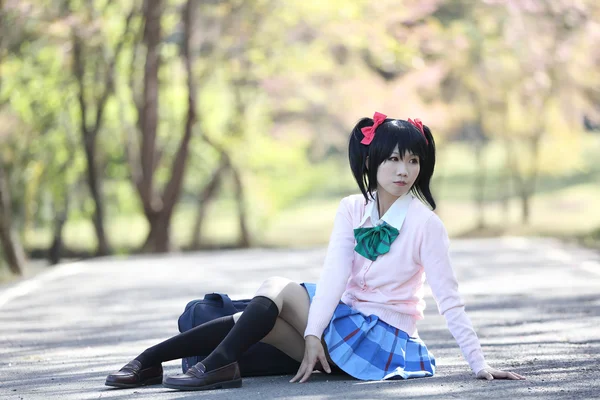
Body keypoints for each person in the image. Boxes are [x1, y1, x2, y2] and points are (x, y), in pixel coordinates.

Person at [105, 112, 525, 391]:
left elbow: (449, 298)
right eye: (394, 159)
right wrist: (310, 334)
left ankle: (191, 364)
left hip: (379, 341)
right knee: (264, 314)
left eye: (414, 161)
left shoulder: (426, 225)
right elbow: (335, 275)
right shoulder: (352, 208)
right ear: (372, 162)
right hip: (341, 327)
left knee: (276, 289)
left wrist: (479, 364)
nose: (404, 170)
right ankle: (161, 361)